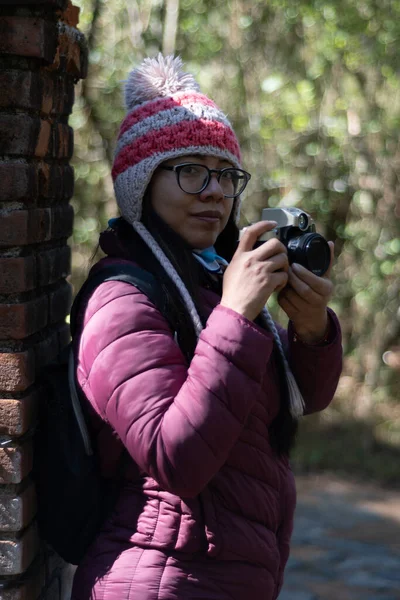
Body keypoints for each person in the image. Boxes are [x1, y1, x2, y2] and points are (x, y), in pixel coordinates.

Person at [71, 54, 342, 600]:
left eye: (224, 174)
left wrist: (311, 331)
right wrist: (235, 315)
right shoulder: (120, 295)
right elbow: (176, 457)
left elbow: (298, 401)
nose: (214, 191)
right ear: (141, 186)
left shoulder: (214, 280)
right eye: (189, 170)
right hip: (158, 578)